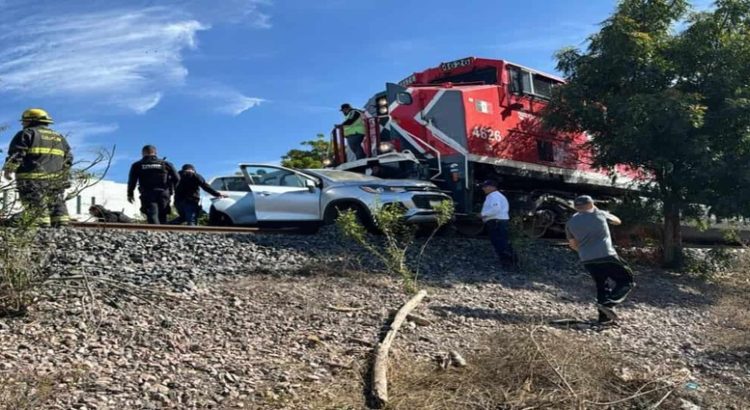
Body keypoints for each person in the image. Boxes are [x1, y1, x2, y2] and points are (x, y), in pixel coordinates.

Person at [565, 195, 635, 326]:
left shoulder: (570, 223)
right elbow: (617, 221)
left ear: (576, 207)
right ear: (591, 204)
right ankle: (609, 304)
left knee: (602, 285)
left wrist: (586, 251)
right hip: (606, 255)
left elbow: (573, 244)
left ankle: (604, 318)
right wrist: (597, 209)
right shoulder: (600, 214)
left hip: (587, 258)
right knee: (627, 280)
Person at [2, 108, 73, 227]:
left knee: (35, 204)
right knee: (56, 203)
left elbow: (17, 153)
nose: (22, 124)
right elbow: (68, 159)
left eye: (24, 121)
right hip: (56, 179)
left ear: (31, 121)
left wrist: (9, 169)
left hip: (32, 178)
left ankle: (40, 227)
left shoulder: (27, 133)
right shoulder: (59, 137)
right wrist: (64, 176)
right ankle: (61, 225)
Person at [127, 145, 179, 224]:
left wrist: (130, 194)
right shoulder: (166, 164)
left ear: (142, 153)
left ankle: (155, 233)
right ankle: (163, 233)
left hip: (147, 194)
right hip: (164, 193)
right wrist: (175, 191)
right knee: (163, 215)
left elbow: (132, 181)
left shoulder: (137, 165)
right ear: (155, 152)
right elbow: (177, 179)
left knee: (152, 214)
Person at [480, 179, 514, 266]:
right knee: (503, 241)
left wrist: (483, 214)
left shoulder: (494, 196)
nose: (483, 188)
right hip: (499, 221)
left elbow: (496, 209)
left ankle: (507, 261)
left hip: (496, 222)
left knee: (499, 242)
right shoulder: (497, 196)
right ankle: (510, 261)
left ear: (492, 187)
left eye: (485, 187)